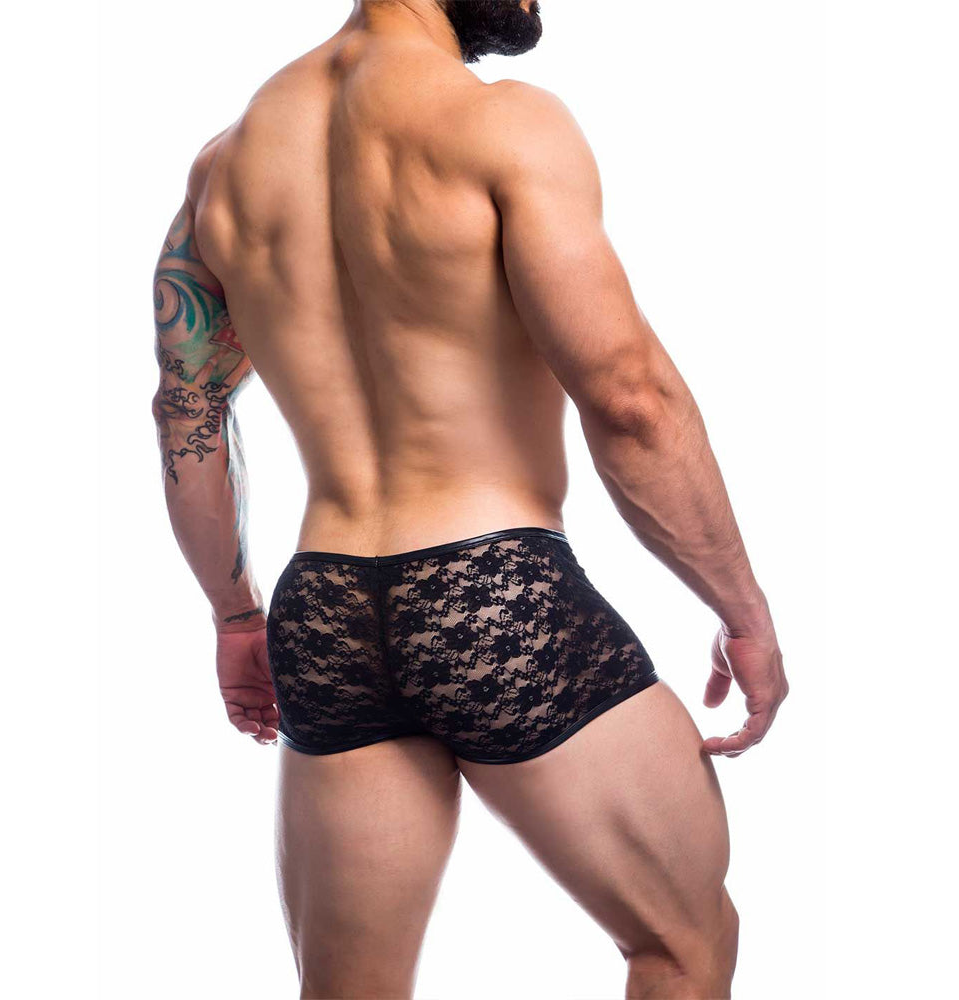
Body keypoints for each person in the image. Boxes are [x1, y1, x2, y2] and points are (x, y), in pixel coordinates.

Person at [151, 2, 788, 996]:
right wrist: (741, 609)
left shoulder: (223, 168)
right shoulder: (500, 123)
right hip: (495, 587)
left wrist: (236, 615)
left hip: (325, 611)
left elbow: (186, 406)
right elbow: (629, 396)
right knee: (683, 940)